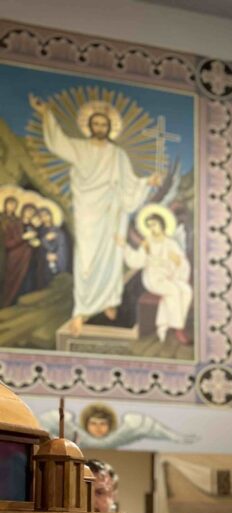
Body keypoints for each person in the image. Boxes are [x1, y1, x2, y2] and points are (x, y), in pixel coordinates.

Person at [29, 95, 160, 336]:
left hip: (111, 210)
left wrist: (146, 182)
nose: (100, 127)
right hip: (87, 210)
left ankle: (109, 299)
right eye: (96, 124)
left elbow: (130, 183)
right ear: (90, 126)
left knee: (111, 256)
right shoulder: (79, 148)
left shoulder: (118, 154)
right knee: (86, 260)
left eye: (104, 124)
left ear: (110, 128)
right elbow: (58, 143)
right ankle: (82, 309)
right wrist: (46, 114)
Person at [120, 208, 192, 343]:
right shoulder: (147, 243)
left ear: (162, 224)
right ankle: (178, 329)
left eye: (154, 225)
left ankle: (164, 326)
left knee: (187, 290)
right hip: (153, 278)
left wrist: (178, 262)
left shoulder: (171, 243)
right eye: (150, 226)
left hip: (170, 276)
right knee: (174, 290)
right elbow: (137, 261)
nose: (152, 228)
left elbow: (182, 263)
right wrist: (125, 247)